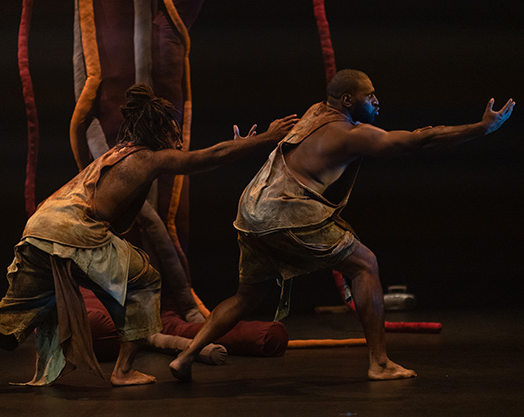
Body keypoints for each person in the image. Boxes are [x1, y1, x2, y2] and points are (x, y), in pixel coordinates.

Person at [0, 83, 298, 392]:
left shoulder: (114, 155)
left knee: (6, 313)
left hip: (39, 229)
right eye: (171, 130)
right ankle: (123, 371)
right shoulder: (150, 158)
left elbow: (212, 153)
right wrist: (265, 139)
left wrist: (242, 144)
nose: (175, 138)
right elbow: (207, 158)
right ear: (159, 130)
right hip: (76, 231)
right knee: (146, 279)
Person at [169, 69, 515, 381]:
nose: (377, 101)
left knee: (248, 296)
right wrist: (482, 128)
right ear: (348, 100)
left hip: (251, 207)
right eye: (370, 95)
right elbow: (419, 139)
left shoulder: (314, 112)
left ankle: (185, 356)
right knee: (366, 264)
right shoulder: (351, 134)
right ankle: (379, 362)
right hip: (283, 210)